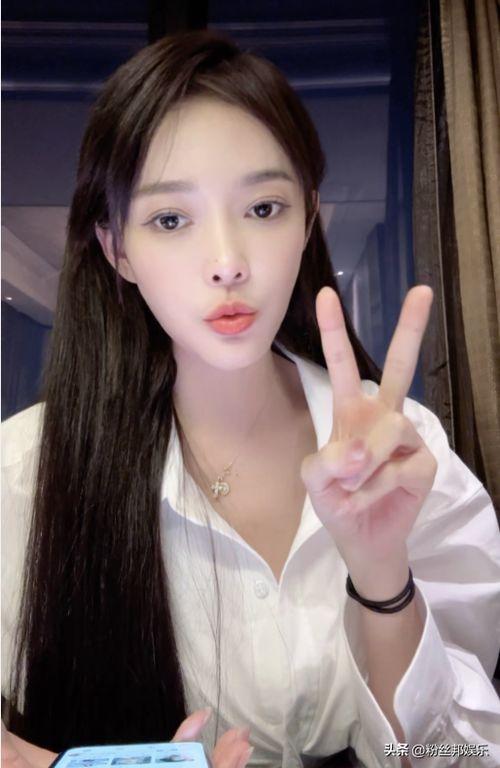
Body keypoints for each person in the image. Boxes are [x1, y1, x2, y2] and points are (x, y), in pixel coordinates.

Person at [1, 29, 499, 768]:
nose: (227, 263)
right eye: (171, 220)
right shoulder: (25, 474)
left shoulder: (405, 453)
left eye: (264, 208)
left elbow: (457, 755)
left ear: (308, 218)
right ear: (118, 250)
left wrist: (381, 575)